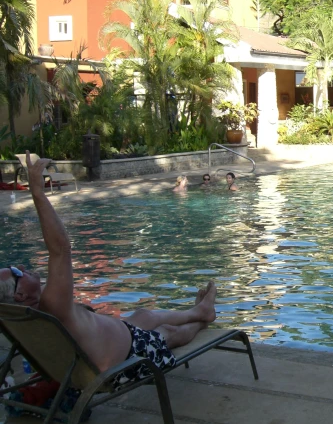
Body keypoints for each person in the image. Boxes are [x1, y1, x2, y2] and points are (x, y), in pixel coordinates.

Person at [0, 153, 218, 385]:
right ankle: (201, 321)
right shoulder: (52, 304)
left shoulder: (25, 315)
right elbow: (61, 249)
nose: (22, 266)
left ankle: (199, 311)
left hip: (112, 339)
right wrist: (38, 193)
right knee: (166, 332)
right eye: (17, 272)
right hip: (128, 358)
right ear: (20, 295)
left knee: (143, 315)